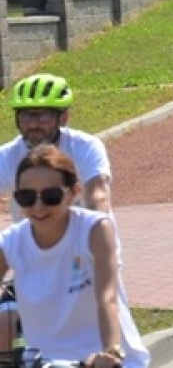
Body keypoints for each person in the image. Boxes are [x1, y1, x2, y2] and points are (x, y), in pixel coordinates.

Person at [0, 147, 147, 368]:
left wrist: (111, 352)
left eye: (51, 196)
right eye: (27, 197)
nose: (38, 207)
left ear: (73, 192)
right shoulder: (11, 241)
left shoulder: (95, 229)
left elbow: (107, 298)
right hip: (45, 362)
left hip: (103, 358)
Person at [0, 74, 112, 217]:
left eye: (43, 116)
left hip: (87, 236)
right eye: (26, 116)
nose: (34, 124)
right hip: (31, 238)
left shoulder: (86, 147)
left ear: (63, 117)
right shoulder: (6, 156)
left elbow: (99, 195)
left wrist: (97, 228)